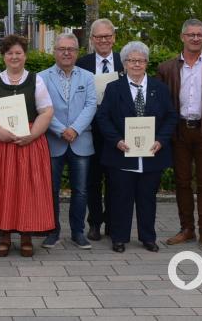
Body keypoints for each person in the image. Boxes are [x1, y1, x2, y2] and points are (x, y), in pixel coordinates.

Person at [156, 19, 202, 253]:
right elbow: (159, 104)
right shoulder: (166, 68)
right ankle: (186, 228)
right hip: (179, 132)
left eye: (200, 34)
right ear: (182, 37)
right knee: (182, 182)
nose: (195, 38)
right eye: (191, 34)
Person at [0, 34, 55, 256]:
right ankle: (4, 236)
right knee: (3, 188)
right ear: (3, 57)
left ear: (25, 56)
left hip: (28, 143)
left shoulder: (35, 80)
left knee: (27, 189)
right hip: (1, 143)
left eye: (18, 53)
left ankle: (26, 236)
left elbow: (47, 111)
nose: (14, 57)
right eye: (9, 53)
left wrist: (32, 134)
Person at [96, 41, 176, 253]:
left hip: (152, 153)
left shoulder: (160, 88)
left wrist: (161, 139)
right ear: (124, 64)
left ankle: (148, 237)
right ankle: (119, 238)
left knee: (147, 198)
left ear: (147, 63)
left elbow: (170, 117)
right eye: (132, 61)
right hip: (122, 153)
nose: (136, 64)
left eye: (140, 60)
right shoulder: (114, 88)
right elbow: (103, 118)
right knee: (121, 198)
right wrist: (116, 141)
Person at [38, 32, 97, 249]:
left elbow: (91, 105)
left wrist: (75, 129)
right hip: (54, 140)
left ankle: (78, 232)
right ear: (54, 52)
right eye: (62, 49)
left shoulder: (88, 77)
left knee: (81, 190)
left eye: (71, 49)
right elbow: (42, 108)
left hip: (81, 141)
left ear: (77, 52)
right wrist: (61, 130)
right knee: (51, 189)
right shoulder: (42, 78)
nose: (66, 53)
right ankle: (52, 231)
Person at [75, 18, 123, 241]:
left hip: (117, 132)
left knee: (115, 179)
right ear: (92, 39)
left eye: (107, 36)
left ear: (114, 38)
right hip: (90, 130)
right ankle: (94, 223)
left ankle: (113, 223)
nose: (103, 40)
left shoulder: (125, 62)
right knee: (92, 180)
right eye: (98, 37)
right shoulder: (82, 64)